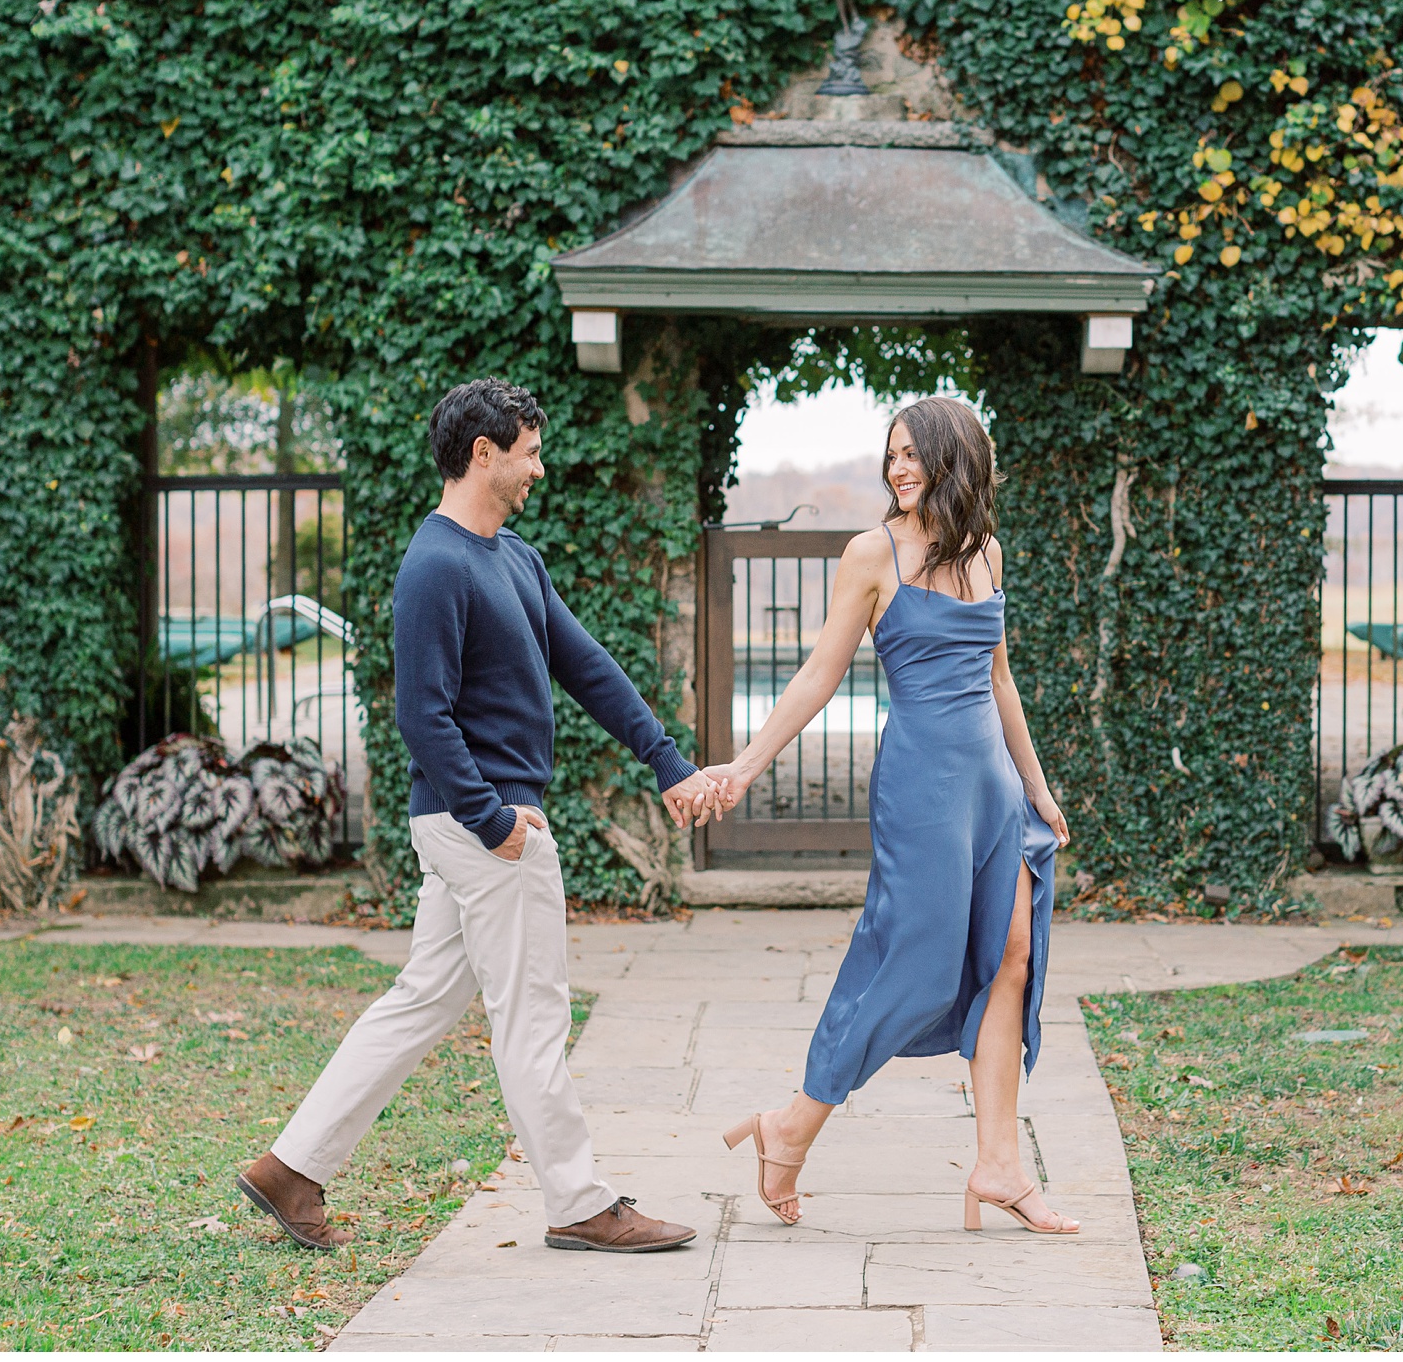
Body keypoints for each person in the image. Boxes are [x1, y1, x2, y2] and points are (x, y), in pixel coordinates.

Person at [237, 378, 724, 1255]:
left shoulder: (514, 558)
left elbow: (587, 667)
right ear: (482, 453)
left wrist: (668, 762)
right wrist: (493, 819)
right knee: (534, 1012)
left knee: (421, 999)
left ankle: (291, 1167)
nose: (540, 466)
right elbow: (423, 714)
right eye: (528, 450)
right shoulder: (435, 564)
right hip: (488, 827)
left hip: (479, 824)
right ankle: (579, 1200)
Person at [708, 395, 1079, 1235]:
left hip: (995, 791)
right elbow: (817, 674)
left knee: (1012, 958)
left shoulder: (986, 551)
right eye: (893, 455)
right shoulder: (872, 553)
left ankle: (998, 1165)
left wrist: (1039, 787)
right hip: (922, 790)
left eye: (914, 454)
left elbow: (1000, 679)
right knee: (910, 966)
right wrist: (745, 763)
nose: (900, 469)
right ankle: (792, 1125)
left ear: (957, 461)